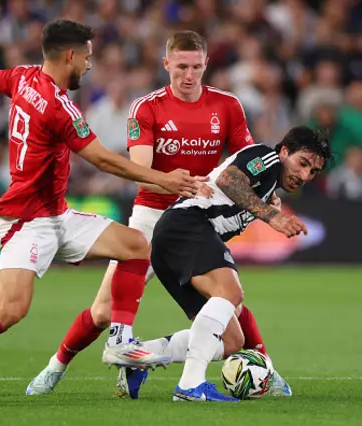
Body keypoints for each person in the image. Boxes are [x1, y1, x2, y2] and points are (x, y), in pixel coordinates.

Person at [0, 19, 201, 407]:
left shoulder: (22, 76)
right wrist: (165, 180)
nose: (90, 65)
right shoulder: (60, 108)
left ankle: (121, 339)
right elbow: (103, 160)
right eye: (88, 58)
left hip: (56, 214)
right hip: (25, 219)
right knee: (11, 310)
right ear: (70, 56)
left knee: (135, 245)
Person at [26, 30, 281, 399]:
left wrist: (267, 199)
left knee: (230, 303)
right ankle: (55, 367)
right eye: (181, 66)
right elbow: (140, 169)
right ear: (167, 65)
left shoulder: (227, 106)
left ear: (206, 64)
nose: (188, 75)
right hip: (151, 219)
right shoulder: (147, 108)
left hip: (199, 219)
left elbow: (246, 166)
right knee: (101, 314)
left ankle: (265, 371)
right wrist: (180, 184)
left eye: (196, 66)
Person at [151, 126, 332, 402]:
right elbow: (227, 179)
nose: (305, 175)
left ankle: (140, 357)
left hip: (175, 240)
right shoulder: (266, 158)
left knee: (231, 341)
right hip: (186, 224)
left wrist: (267, 205)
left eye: (313, 172)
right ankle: (190, 385)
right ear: (284, 152)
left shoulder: (270, 188)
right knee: (231, 293)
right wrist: (272, 216)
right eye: (302, 163)